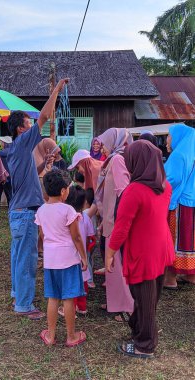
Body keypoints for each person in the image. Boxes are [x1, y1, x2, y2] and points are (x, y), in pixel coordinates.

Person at [106, 140, 175, 358]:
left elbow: (121, 228)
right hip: (162, 247)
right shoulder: (165, 186)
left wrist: (109, 253)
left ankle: (145, 345)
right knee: (150, 298)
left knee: (144, 299)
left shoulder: (134, 190)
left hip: (144, 252)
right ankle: (141, 330)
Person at [7, 78, 69, 319]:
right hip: (25, 213)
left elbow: (28, 175)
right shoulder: (23, 142)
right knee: (26, 259)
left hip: (18, 212)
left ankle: (17, 294)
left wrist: (45, 163)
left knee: (18, 255)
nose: (33, 125)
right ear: (21, 130)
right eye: (28, 123)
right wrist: (56, 90)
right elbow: (44, 116)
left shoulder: (16, 150)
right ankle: (23, 305)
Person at [35, 170, 87, 346]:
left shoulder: (41, 211)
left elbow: (42, 235)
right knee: (68, 299)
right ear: (64, 191)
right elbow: (77, 237)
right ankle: (71, 336)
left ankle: (50, 335)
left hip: (51, 260)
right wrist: (84, 257)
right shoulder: (68, 210)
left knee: (53, 298)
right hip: (68, 260)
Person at [96, 128, 134, 322]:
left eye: (103, 142)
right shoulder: (112, 160)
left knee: (117, 266)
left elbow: (123, 192)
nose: (101, 146)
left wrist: (116, 218)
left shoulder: (118, 160)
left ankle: (125, 307)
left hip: (115, 220)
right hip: (110, 219)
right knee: (112, 266)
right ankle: (115, 303)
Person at [164, 124, 195, 287]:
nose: (167, 139)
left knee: (173, 238)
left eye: (169, 136)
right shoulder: (191, 153)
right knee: (189, 239)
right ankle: (191, 276)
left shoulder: (179, 155)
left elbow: (172, 179)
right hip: (192, 201)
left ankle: (170, 278)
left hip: (180, 203)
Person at [65, 185, 95, 314]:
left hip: (69, 255)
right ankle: (82, 307)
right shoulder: (86, 217)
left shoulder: (66, 216)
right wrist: (88, 249)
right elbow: (91, 237)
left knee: (70, 283)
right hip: (83, 255)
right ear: (84, 203)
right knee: (83, 281)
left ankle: (72, 308)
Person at [0, 136, 12, 207]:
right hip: (11, 176)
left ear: (4, 143)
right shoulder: (15, 152)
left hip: (1, 176)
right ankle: (11, 210)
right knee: (10, 195)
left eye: (2, 142)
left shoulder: (0, 153)